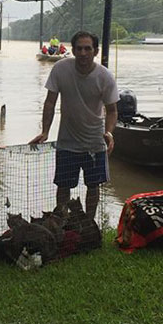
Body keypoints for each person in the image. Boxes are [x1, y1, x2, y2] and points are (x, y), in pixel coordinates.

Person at [30, 31, 118, 222]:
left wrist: (109, 133)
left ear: (95, 51)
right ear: (73, 50)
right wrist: (45, 131)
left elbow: (112, 111)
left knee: (93, 186)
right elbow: (50, 102)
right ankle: (61, 221)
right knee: (63, 186)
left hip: (95, 142)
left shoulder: (104, 76)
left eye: (88, 48)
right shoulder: (61, 69)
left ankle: (89, 223)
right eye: (79, 48)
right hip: (67, 141)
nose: (83, 53)